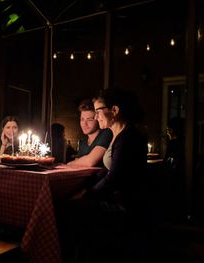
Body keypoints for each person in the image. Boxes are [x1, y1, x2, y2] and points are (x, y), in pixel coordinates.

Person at [56, 88, 149, 263]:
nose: (96, 117)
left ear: (114, 110)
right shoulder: (118, 135)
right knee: (69, 202)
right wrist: (85, 189)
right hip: (115, 199)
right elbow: (106, 172)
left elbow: (115, 178)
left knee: (66, 210)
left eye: (98, 111)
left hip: (124, 205)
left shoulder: (129, 137)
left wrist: (87, 195)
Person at [67, 98, 113, 167]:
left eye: (90, 120)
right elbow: (77, 162)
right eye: (82, 119)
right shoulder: (83, 142)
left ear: (97, 119)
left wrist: (68, 164)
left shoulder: (106, 133)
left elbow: (90, 161)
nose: (84, 124)